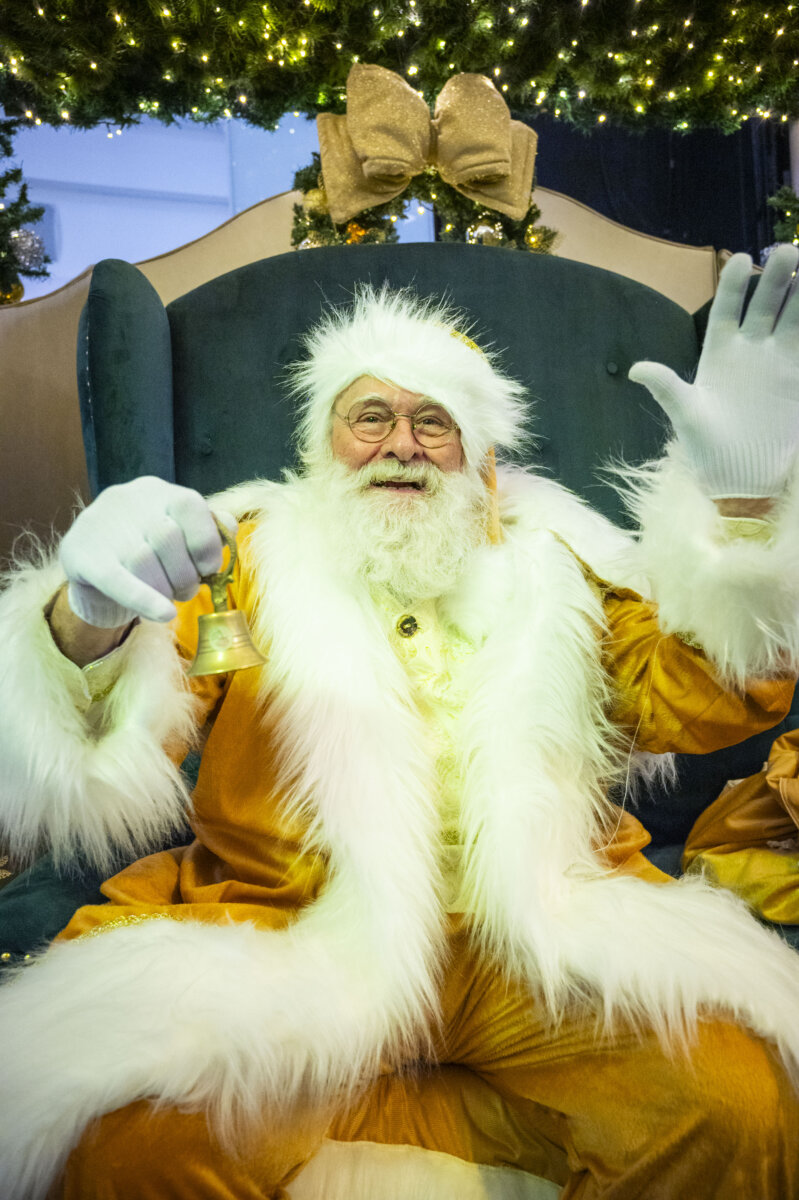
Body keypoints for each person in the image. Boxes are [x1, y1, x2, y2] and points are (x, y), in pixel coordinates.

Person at [2, 248, 799, 1200]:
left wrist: (744, 516)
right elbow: (113, 736)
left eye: (434, 423)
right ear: (320, 441)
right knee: (127, 1143)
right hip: (289, 929)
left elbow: (704, 700)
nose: (401, 443)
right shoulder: (241, 556)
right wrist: (85, 612)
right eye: (369, 416)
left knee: (736, 1107)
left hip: (545, 935)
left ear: (480, 458)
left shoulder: (567, 565)